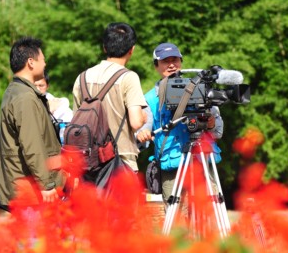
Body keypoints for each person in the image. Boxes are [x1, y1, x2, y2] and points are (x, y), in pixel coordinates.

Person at [141, 42, 223, 207]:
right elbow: (144, 129)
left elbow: (218, 132)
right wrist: (142, 133)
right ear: (156, 66)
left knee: (209, 217)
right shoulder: (150, 99)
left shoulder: (200, 89)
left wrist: (211, 123)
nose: (171, 65)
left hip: (203, 164)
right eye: (166, 61)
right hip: (172, 167)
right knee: (177, 221)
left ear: (181, 62)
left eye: (175, 60)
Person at [72, 22, 151, 172]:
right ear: (131, 50)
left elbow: (76, 120)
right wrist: (143, 117)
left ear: (104, 47)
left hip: (88, 163)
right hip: (121, 160)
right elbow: (135, 122)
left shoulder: (82, 78)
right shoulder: (128, 77)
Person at [0, 37, 64, 210]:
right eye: (42, 59)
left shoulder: (14, 91)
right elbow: (32, 145)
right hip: (30, 193)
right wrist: (47, 185)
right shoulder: (25, 98)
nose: (45, 63)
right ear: (31, 62)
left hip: (23, 188)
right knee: (35, 237)